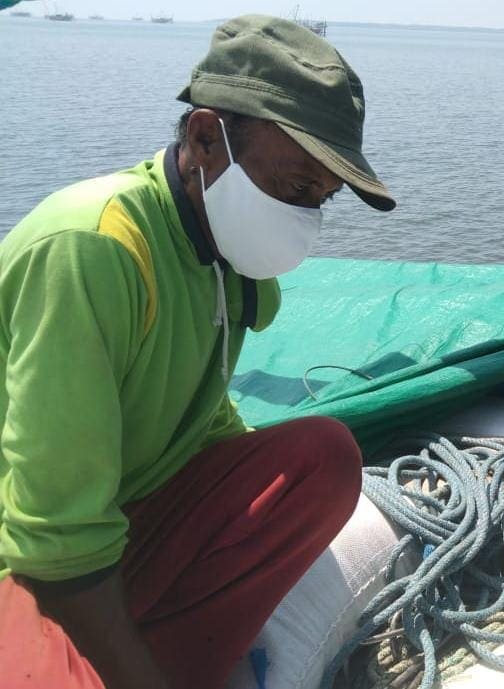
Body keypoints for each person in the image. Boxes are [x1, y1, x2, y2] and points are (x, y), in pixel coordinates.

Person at [0, 15, 396, 689]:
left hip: (122, 517)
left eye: (321, 201)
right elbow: (53, 534)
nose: (303, 217)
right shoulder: (96, 248)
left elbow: (204, 416)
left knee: (325, 459)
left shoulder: (227, 247)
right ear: (206, 137)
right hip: (28, 549)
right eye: (296, 187)